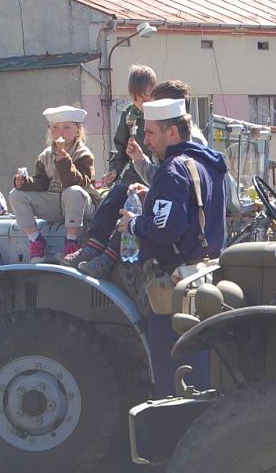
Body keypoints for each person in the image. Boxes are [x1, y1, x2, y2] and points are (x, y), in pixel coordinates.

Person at [110, 98, 226, 399]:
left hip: (176, 285)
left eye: (150, 133)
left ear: (172, 133)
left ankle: (172, 442)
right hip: (207, 279)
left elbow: (164, 228)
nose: (145, 141)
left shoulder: (172, 170)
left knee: (174, 377)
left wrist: (134, 224)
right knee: (203, 372)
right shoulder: (208, 163)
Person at [64, 80, 207, 273]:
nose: (146, 138)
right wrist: (139, 162)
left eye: (155, 106)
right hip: (183, 220)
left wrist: (134, 222)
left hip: (185, 242)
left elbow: (170, 211)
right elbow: (169, 185)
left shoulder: (190, 146)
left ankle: (108, 258)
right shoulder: (176, 148)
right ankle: (95, 246)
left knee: (135, 214)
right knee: (123, 191)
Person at [8, 106, 98, 263]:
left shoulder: (83, 154)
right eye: (55, 127)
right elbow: (41, 183)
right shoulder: (45, 155)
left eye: (66, 127)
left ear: (77, 131)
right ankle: (35, 240)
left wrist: (64, 161)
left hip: (80, 205)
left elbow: (80, 183)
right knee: (15, 194)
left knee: (73, 191)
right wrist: (25, 183)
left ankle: (71, 242)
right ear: (49, 130)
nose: (60, 132)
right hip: (54, 202)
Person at [104, 64, 156, 189]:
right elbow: (121, 149)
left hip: (156, 173)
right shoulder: (129, 115)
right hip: (134, 175)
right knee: (113, 200)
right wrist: (115, 170)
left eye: (145, 100)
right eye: (136, 100)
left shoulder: (162, 116)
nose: (140, 105)